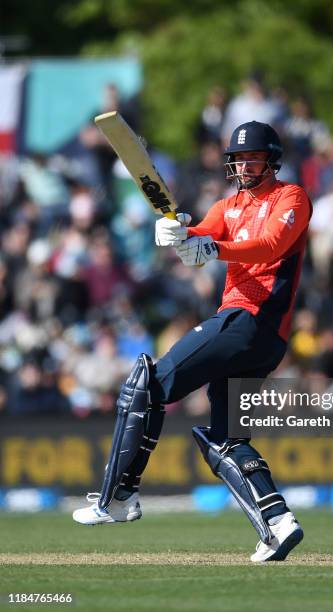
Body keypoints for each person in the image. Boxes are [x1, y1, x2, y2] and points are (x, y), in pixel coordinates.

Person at [73, 121, 311, 562]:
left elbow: (271, 245)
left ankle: (120, 497)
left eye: (251, 158)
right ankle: (278, 524)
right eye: (237, 159)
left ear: (271, 161)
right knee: (225, 439)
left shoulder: (290, 197)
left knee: (149, 383)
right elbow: (197, 242)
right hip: (254, 335)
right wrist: (177, 235)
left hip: (251, 321)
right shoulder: (227, 206)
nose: (242, 165)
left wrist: (213, 249)